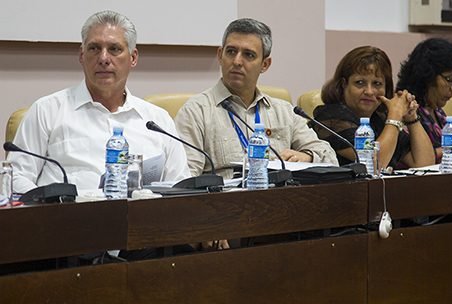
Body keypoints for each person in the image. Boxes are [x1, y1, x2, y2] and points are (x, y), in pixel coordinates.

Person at [8, 10, 190, 194]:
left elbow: (180, 186)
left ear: (133, 58)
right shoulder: (48, 111)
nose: (103, 58)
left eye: (114, 49)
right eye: (94, 48)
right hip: (66, 218)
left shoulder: (157, 120)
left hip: (142, 219)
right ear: (81, 56)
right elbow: (16, 178)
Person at [175, 18, 338, 179]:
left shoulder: (284, 111)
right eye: (231, 52)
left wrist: (307, 156)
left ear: (265, 64)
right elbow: (184, 178)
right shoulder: (196, 111)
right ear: (220, 55)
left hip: (280, 199)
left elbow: (330, 157)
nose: (237, 61)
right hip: (224, 201)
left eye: (249, 55)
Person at [312, 46, 434, 170]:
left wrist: (411, 117)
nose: (369, 91)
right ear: (344, 85)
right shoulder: (329, 118)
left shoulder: (379, 119)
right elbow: (374, 164)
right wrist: (395, 116)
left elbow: (425, 164)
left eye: (377, 84)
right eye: (360, 83)